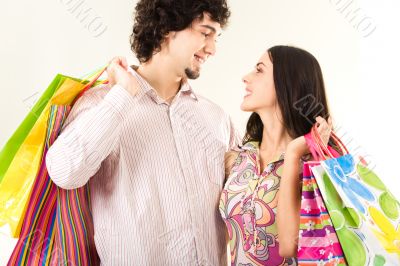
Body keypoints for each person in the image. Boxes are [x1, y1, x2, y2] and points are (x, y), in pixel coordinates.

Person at [46, 0, 239, 264]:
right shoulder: (102, 104)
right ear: (167, 27)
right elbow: (64, 172)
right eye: (205, 33)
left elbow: (250, 198)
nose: (213, 49)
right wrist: (123, 95)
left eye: (216, 37)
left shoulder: (216, 117)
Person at [219, 45, 334, 265]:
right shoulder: (237, 158)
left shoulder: (317, 164)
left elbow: (289, 246)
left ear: (287, 83)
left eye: (259, 70)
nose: (246, 77)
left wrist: (292, 155)